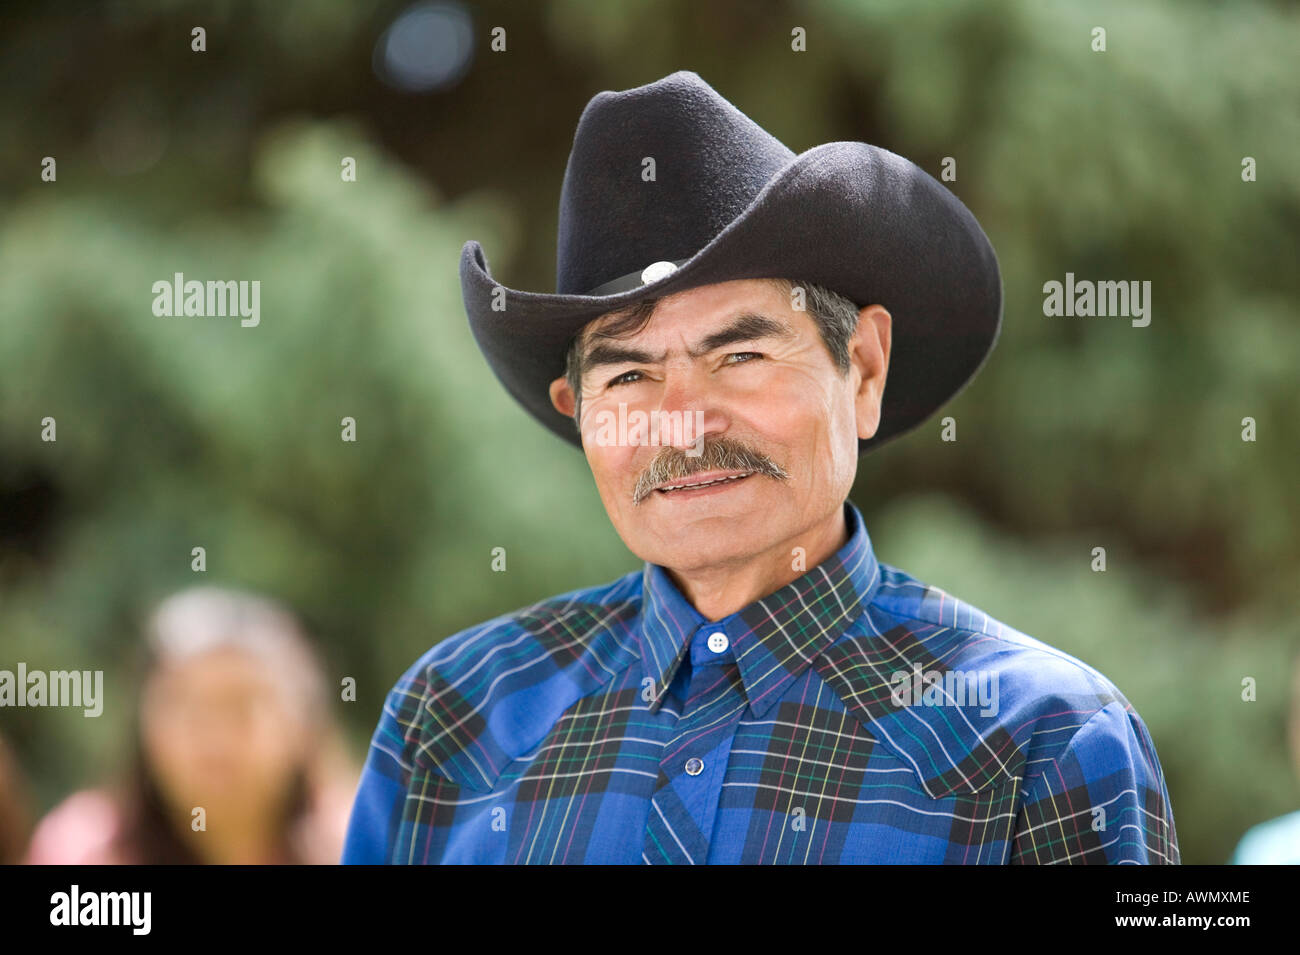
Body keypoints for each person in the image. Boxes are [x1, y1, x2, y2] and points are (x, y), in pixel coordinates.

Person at [343, 70, 1178, 864]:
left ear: (866, 369)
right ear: (580, 410)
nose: (684, 422)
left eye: (739, 353)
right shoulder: (453, 717)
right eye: (629, 374)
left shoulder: (1042, 740)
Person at [25, 586, 355, 865]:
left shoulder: (367, 845)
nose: (214, 737)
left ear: (302, 722)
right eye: (184, 705)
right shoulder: (83, 852)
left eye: (241, 705)